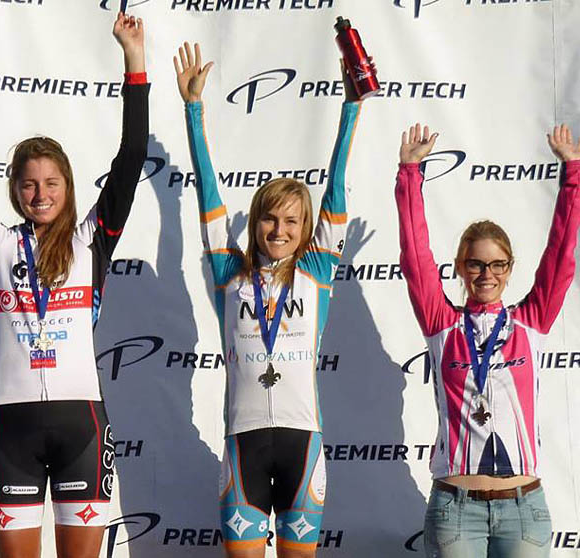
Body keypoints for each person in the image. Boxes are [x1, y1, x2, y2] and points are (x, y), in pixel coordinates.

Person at [0, 15, 148, 558]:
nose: (41, 195)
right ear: (15, 190)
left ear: (68, 186)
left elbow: (132, 157)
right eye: (29, 185)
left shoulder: (92, 238)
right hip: (9, 432)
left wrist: (133, 58)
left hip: (82, 429)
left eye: (52, 184)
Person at [174, 42, 369, 558]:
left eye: (291, 221)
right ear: (256, 220)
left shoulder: (316, 272)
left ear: (305, 229)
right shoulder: (229, 274)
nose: (279, 230)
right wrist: (194, 110)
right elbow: (208, 197)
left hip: (303, 446)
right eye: (269, 218)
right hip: (244, 447)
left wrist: (351, 107)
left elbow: (336, 190)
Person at [396, 123, 580, 558]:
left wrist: (574, 174)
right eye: (476, 265)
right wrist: (409, 174)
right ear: (461, 268)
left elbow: (561, 253)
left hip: (524, 509)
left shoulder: (531, 321)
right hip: (455, 510)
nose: (487, 275)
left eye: (497, 265)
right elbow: (415, 256)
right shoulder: (442, 324)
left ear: (509, 268)